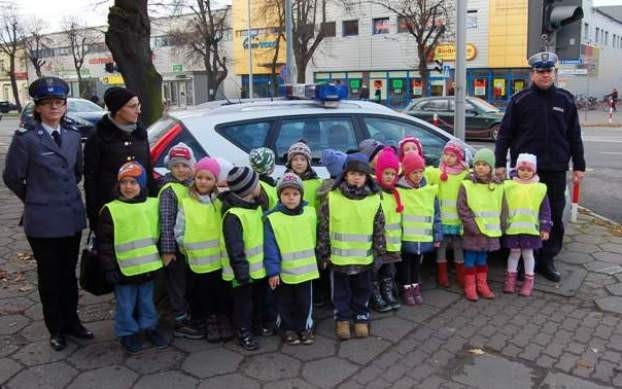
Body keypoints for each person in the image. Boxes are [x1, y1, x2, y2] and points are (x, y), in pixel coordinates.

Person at [3, 77, 92, 351]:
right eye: (48, 103)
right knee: (50, 276)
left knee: (68, 274)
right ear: (38, 108)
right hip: (42, 220)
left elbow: (76, 171)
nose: (54, 107)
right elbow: (12, 177)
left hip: (70, 216)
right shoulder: (26, 139)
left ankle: (72, 322)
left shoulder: (73, 135)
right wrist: (35, 199)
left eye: (59, 102)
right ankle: (56, 328)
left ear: (65, 106)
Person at [494, 51, 586, 283]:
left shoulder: (565, 100)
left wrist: (579, 165)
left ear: (554, 72)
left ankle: (547, 260)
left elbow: (574, 135)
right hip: (524, 171)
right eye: (540, 71)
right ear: (532, 73)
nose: (545, 75)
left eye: (549, 71)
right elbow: (505, 134)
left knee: (553, 214)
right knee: (523, 214)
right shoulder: (520, 100)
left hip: (555, 169)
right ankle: (523, 257)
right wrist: (499, 164)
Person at [97, 162, 167, 354]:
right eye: (124, 182)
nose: (128, 187)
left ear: (142, 185)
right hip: (123, 269)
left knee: (147, 301)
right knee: (125, 304)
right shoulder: (110, 210)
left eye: (133, 182)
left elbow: (160, 233)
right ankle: (127, 332)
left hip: (149, 266)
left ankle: (149, 327)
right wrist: (110, 269)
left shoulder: (152, 205)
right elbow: (104, 244)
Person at [317, 153, 386, 340]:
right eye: (353, 173)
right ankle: (342, 317)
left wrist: (379, 252)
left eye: (361, 174)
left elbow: (379, 227)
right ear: (345, 175)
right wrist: (323, 251)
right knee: (340, 291)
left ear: (367, 177)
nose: (357, 177)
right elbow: (323, 225)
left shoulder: (374, 199)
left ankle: (361, 315)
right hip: (338, 259)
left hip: (363, 259)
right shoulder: (333, 197)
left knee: (362, 288)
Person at [174, 157, 234, 343]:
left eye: (208, 178)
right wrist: (186, 247)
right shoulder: (186, 203)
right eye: (199, 177)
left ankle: (221, 319)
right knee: (201, 293)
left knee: (220, 292)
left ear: (215, 181)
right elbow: (179, 230)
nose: (203, 182)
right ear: (194, 178)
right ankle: (208, 321)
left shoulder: (220, 202)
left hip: (219, 259)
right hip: (197, 260)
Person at [84, 87, 156, 230]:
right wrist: (94, 216)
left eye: (138, 106)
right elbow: (91, 179)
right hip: (112, 210)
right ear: (117, 109)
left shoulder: (140, 134)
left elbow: (148, 170)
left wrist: (154, 199)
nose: (138, 111)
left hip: (141, 207)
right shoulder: (98, 137)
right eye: (132, 106)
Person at [264, 173, 320, 345]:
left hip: (306, 271)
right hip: (284, 272)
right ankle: (287, 328)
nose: (291, 198)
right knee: (284, 302)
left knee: (304, 302)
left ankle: (304, 327)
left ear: (301, 195)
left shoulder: (310, 213)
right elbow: (270, 247)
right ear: (279, 196)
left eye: (295, 194)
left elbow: (315, 237)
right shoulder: (272, 219)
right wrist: (273, 271)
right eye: (286, 194)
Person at [158, 143, 204, 340]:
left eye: (185, 166)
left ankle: (188, 314)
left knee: (187, 284)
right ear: (170, 167)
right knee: (177, 285)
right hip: (175, 249)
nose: (181, 170)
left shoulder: (189, 185)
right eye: (176, 166)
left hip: (188, 247)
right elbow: (166, 222)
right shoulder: (170, 190)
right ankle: (180, 320)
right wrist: (168, 250)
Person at [219, 167, 267, 350]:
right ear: (248, 188)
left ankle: (255, 326)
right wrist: (241, 273)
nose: (259, 186)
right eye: (256, 183)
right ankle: (243, 331)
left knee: (256, 299)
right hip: (241, 272)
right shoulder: (233, 216)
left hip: (256, 268)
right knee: (243, 304)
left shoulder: (256, 206)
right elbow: (235, 247)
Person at [458, 149, 505, 302]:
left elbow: (502, 207)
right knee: (470, 258)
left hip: (489, 231)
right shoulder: (467, 184)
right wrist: (472, 227)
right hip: (473, 231)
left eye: (484, 164)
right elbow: (462, 208)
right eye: (477, 164)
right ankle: (470, 286)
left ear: (491, 167)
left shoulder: (497, 186)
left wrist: (501, 226)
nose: (480, 167)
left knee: (483, 259)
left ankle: (482, 284)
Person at [502, 153, 552, 297]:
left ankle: (528, 281)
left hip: (531, 229)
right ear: (516, 169)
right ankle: (510, 279)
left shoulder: (539, 188)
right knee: (514, 253)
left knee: (528, 254)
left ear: (534, 171)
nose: (525, 172)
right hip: (513, 227)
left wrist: (545, 228)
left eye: (529, 170)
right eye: (522, 169)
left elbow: (545, 210)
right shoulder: (508, 186)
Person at [397, 153, 442, 306]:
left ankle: (415, 287)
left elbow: (436, 214)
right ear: (406, 172)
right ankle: (406, 289)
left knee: (416, 263)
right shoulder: (400, 190)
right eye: (414, 172)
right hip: (406, 237)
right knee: (405, 263)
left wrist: (437, 235)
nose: (418, 176)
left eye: (420, 172)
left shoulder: (428, 190)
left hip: (421, 237)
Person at [371, 147, 403, 312]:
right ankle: (376, 294)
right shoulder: (375, 193)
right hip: (379, 244)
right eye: (386, 173)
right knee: (376, 270)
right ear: (379, 173)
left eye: (393, 174)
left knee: (389, 271)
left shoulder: (396, 193)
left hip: (392, 243)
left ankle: (387, 292)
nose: (390, 177)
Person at [436, 140, 469, 288]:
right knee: (441, 246)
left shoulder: (464, 175)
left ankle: (461, 274)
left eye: (452, 156)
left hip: (458, 219)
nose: (448, 158)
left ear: (459, 158)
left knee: (458, 245)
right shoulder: (438, 172)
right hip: (442, 218)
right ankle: (442, 274)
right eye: (446, 154)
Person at [285, 140, 322, 211]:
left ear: (308, 163)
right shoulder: (282, 182)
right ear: (290, 162)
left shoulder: (318, 183)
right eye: (295, 159)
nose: (299, 163)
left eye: (303, 159)